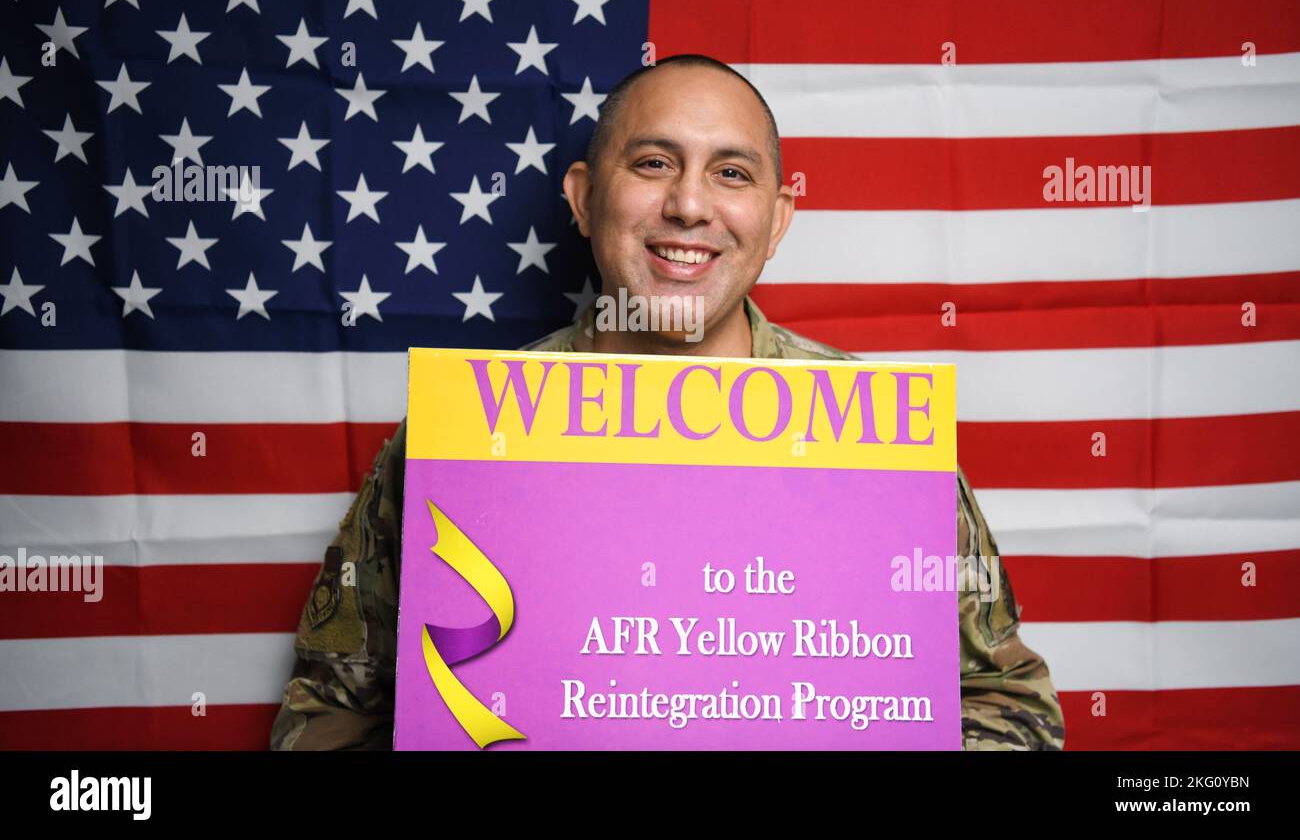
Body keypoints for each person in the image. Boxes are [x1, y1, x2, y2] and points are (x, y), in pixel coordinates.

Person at [270, 54, 1066, 751]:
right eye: (653, 163)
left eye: (731, 173)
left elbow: (1009, 703)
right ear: (583, 199)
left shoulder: (874, 434)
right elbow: (329, 710)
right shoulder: (465, 434)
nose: (689, 206)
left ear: (778, 218)